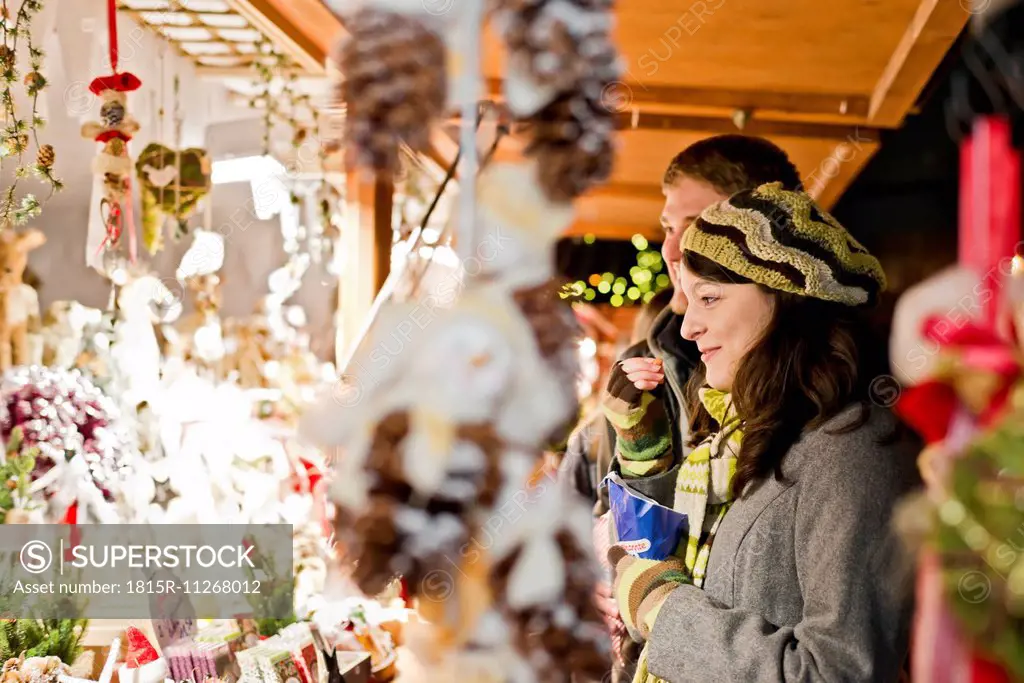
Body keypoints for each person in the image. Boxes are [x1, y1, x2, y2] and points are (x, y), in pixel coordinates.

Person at [604, 182, 920, 682]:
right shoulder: (741, 432)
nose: (688, 328)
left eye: (709, 298)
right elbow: (684, 569)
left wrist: (662, 610)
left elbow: (835, 671)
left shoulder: (856, 451)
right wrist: (645, 452)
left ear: (786, 300)